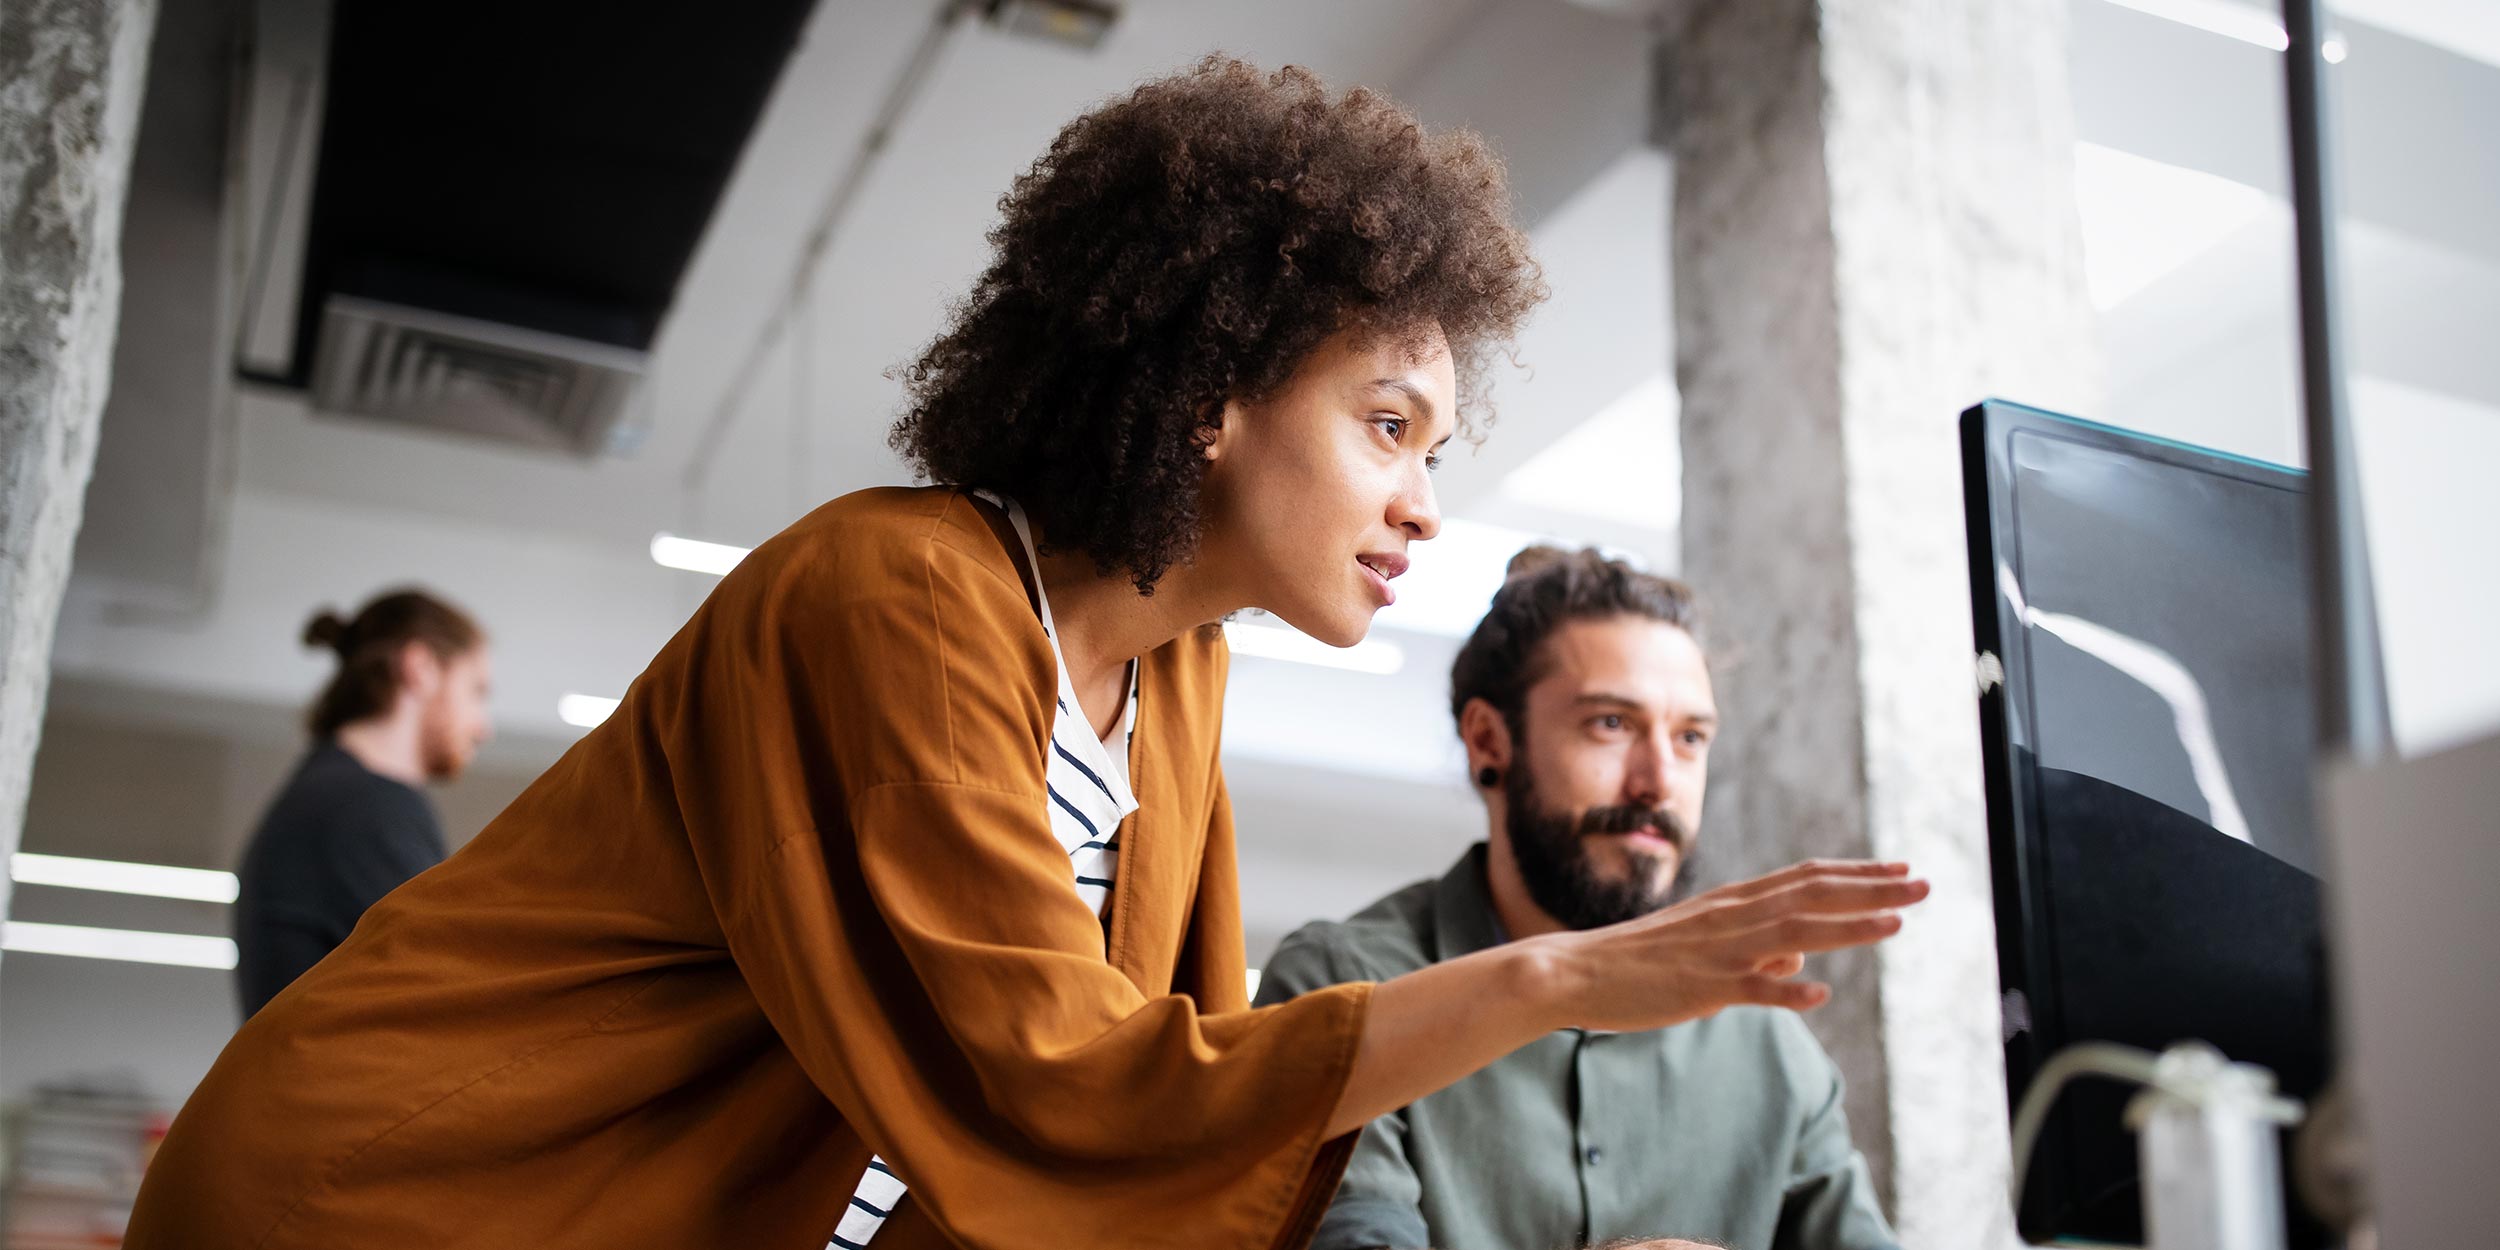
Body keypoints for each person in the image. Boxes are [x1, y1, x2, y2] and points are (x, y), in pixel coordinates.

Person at [127, 60, 1925, 1250]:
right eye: (1387, 423)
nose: (1417, 503)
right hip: (399, 1204)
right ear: (1211, 396)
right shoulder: (894, 597)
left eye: (1434, 451)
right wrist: (1549, 989)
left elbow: (1156, 1091)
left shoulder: (1180, 673)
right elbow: (1065, 1084)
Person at [1257, 548, 1899, 1250]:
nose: (1658, 782)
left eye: (1690, 738)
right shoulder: (1341, 987)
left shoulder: (1767, 1039)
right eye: (1611, 725)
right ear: (1488, 741)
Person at [233, 590, 494, 1017]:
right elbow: (452, 995)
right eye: (476, 691)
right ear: (421, 667)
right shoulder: (365, 805)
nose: (483, 728)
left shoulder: (330, 795)